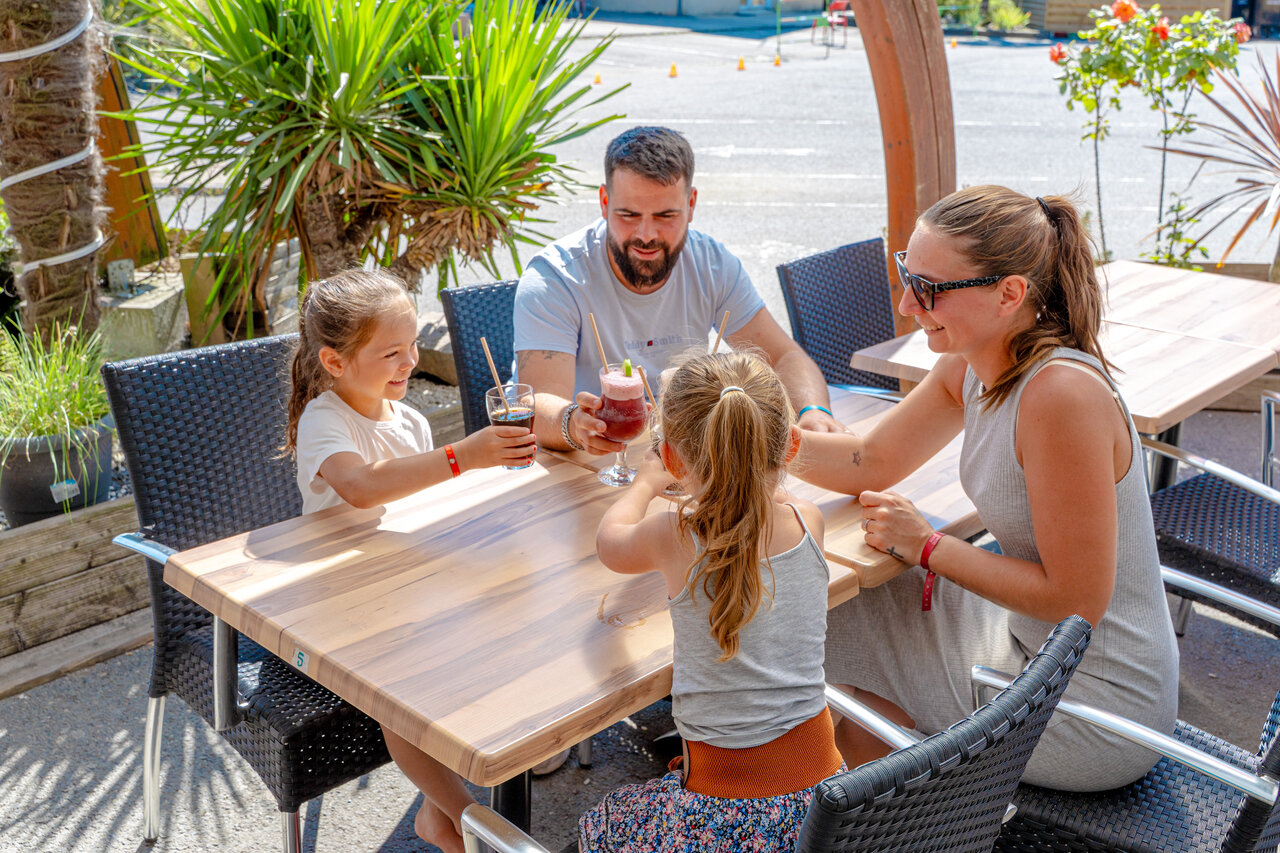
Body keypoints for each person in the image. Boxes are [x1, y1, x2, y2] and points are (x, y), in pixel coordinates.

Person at [795, 186, 1179, 791]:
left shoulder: (1060, 397)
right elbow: (871, 460)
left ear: (1010, 294)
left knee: (813, 625)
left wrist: (929, 547)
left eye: (930, 289)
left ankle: (820, 797)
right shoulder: (974, 362)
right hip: (1032, 646)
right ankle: (868, 794)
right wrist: (747, 440)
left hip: (1093, 707)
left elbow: (1074, 600)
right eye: (907, 275)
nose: (907, 303)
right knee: (830, 609)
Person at [283, 268, 536, 853]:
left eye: (413, 346)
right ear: (335, 362)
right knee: (405, 693)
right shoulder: (325, 419)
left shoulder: (412, 422)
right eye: (391, 352)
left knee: (506, 617)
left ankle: (437, 809)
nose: (410, 362)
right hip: (337, 606)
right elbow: (361, 487)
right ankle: (470, 820)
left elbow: (421, 513)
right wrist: (462, 456)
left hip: (402, 587)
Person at [580, 351, 844, 852]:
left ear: (672, 458)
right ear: (791, 445)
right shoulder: (809, 520)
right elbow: (755, 515)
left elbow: (610, 543)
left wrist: (645, 483)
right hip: (824, 806)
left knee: (602, 825)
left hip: (724, 815)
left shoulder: (672, 534)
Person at [514, 125, 844, 461]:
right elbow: (535, 402)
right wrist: (574, 424)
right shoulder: (557, 278)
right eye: (628, 215)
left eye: (666, 216)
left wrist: (815, 412)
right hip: (580, 463)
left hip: (682, 459)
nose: (646, 235)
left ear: (691, 204)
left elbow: (783, 357)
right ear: (604, 202)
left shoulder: (712, 264)